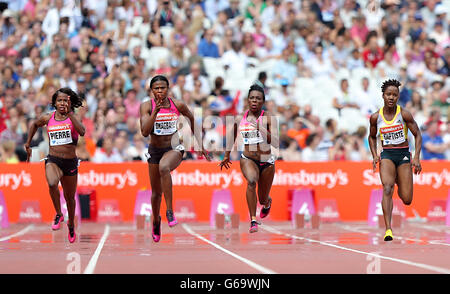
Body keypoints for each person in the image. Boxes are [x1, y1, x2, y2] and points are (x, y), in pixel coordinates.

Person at [140, 75, 210, 242]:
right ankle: (156, 221)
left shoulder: (177, 105)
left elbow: (192, 120)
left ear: (168, 89)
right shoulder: (146, 107)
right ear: (151, 91)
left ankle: (170, 211)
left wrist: (200, 144)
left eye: (162, 88)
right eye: (156, 88)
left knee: (164, 167)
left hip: (174, 148)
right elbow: (144, 131)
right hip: (155, 150)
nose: (159, 91)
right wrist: (155, 112)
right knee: (156, 193)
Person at [24, 87, 85, 243]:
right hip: (54, 160)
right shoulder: (48, 118)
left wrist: (71, 114)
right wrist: (28, 144)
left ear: (70, 103)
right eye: (60, 100)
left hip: (70, 162)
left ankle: (71, 223)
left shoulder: (73, 118)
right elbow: (34, 125)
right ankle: (59, 214)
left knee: (70, 198)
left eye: (66, 100)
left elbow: (83, 131)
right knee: (51, 183)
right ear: (54, 103)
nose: (63, 103)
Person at [219, 84, 279, 233]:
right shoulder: (240, 117)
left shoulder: (269, 117)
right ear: (247, 100)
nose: (254, 101)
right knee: (251, 181)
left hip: (267, 162)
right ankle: (253, 219)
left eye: (258, 98)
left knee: (263, 198)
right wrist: (226, 155)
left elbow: (276, 142)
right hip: (248, 159)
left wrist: (261, 128)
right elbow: (231, 135)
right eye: (251, 98)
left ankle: (267, 203)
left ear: (262, 101)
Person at [368, 79, 422, 242]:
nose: (391, 97)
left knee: (406, 199)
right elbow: (371, 137)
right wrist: (374, 155)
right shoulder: (375, 117)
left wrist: (417, 157)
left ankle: (399, 179)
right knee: (387, 188)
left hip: (403, 155)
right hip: (387, 155)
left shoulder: (404, 114)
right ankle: (388, 229)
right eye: (388, 94)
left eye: (394, 95)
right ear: (383, 96)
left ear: (398, 97)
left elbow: (418, 134)